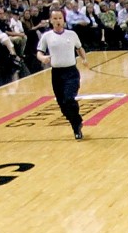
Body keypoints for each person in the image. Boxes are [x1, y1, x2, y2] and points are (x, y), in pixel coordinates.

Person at [36, 9, 90, 140]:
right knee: (62, 104)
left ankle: (76, 126)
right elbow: (39, 52)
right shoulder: (47, 36)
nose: (58, 21)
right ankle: (76, 120)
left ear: (64, 20)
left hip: (71, 72)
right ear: (51, 20)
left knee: (69, 98)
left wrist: (84, 58)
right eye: (55, 18)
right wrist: (42, 58)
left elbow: (79, 47)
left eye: (60, 18)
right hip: (56, 74)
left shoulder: (71, 34)